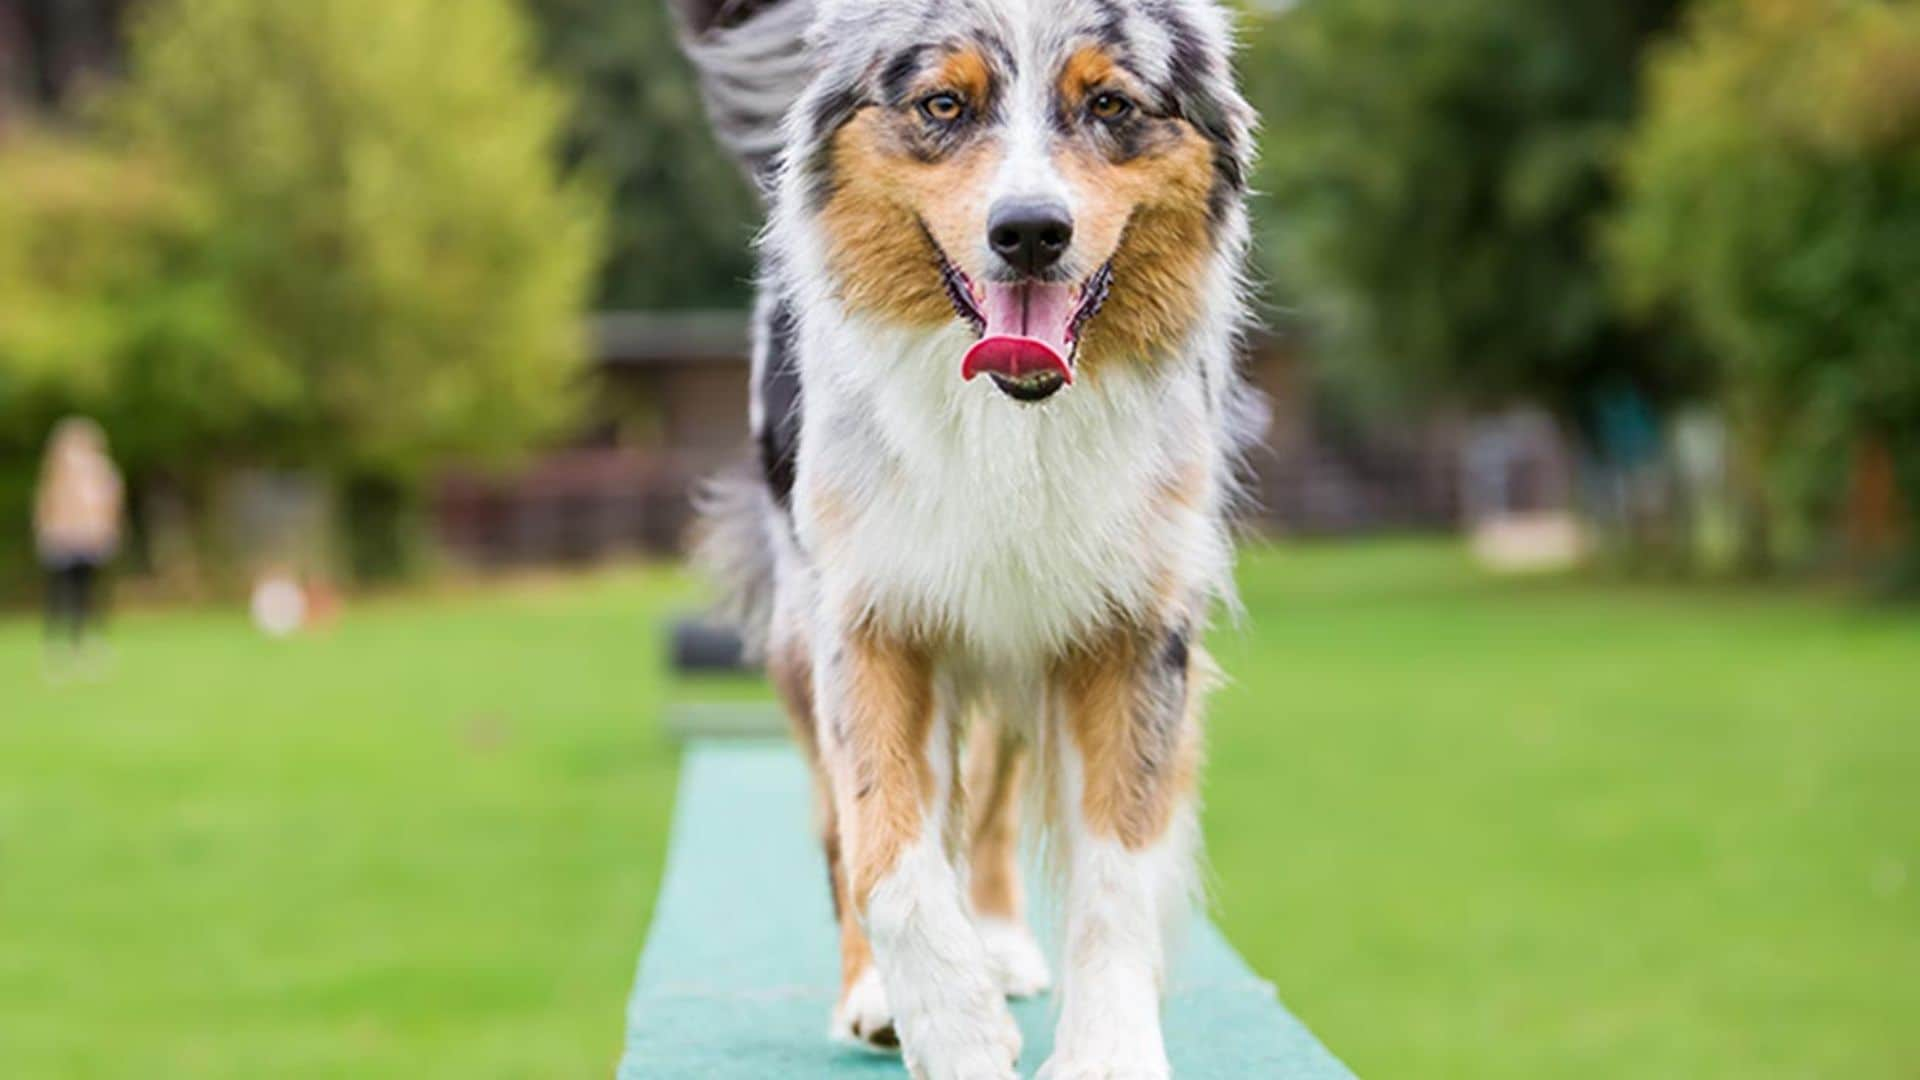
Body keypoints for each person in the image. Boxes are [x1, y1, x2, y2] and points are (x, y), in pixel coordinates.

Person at [33, 417, 124, 661]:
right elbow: (48, 504)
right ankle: (56, 643)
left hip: (91, 538)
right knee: (61, 591)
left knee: (88, 592)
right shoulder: (59, 470)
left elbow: (111, 503)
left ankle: (86, 641)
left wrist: (108, 530)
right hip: (64, 538)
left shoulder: (102, 471)